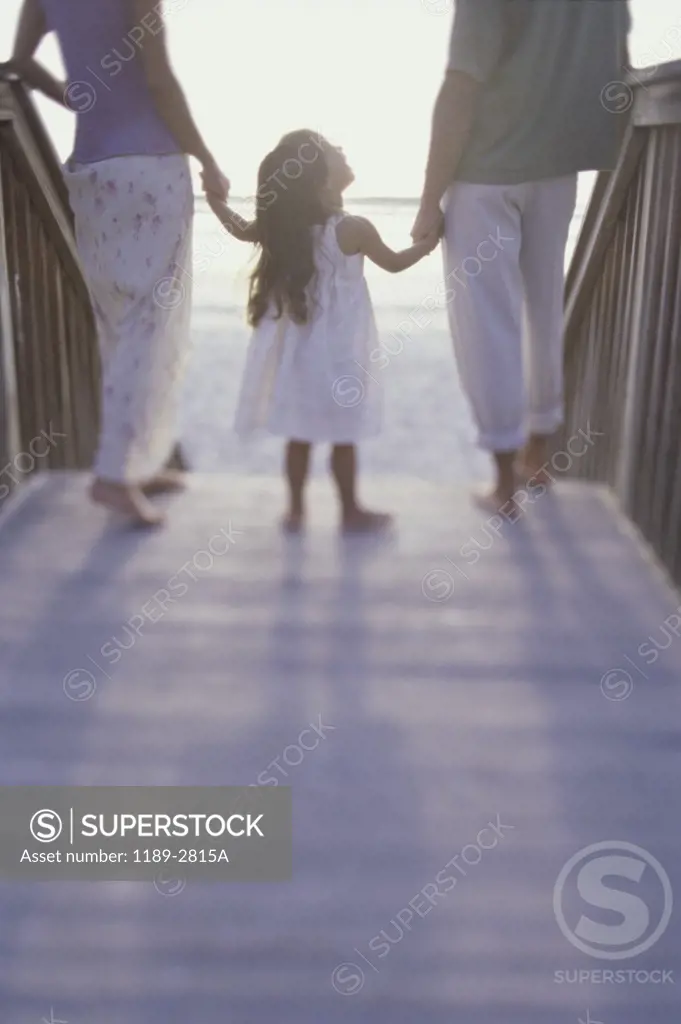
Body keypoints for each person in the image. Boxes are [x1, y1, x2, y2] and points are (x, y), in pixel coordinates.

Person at [11, 0, 229, 526]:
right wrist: (206, 157)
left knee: (116, 323)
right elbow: (159, 82)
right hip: (149, 166)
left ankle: (135, 464)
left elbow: (19, 62)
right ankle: (113, 477)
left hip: (90, 169)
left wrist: (85, 101)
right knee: (150, 327)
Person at [413, 0, 631, 514]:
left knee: (488, 321)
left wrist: (428, 201)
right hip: (559, 168)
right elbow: (619, 67)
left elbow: (461, 88)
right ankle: (536, 453)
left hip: (484, 174)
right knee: (542, 310)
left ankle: (502, 482)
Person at [204, 129, 439, 533]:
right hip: (342, 351)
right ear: (321, 178)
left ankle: (295, 509)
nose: (343, 150)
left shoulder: (285, 228)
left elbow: (240, 228)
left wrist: (215, 203)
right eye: (334, 150)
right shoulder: (352, 229)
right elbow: (397, 263)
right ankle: (349, 510)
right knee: (342, 434)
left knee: (300, 432)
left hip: (298, 352)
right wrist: (430, 242)